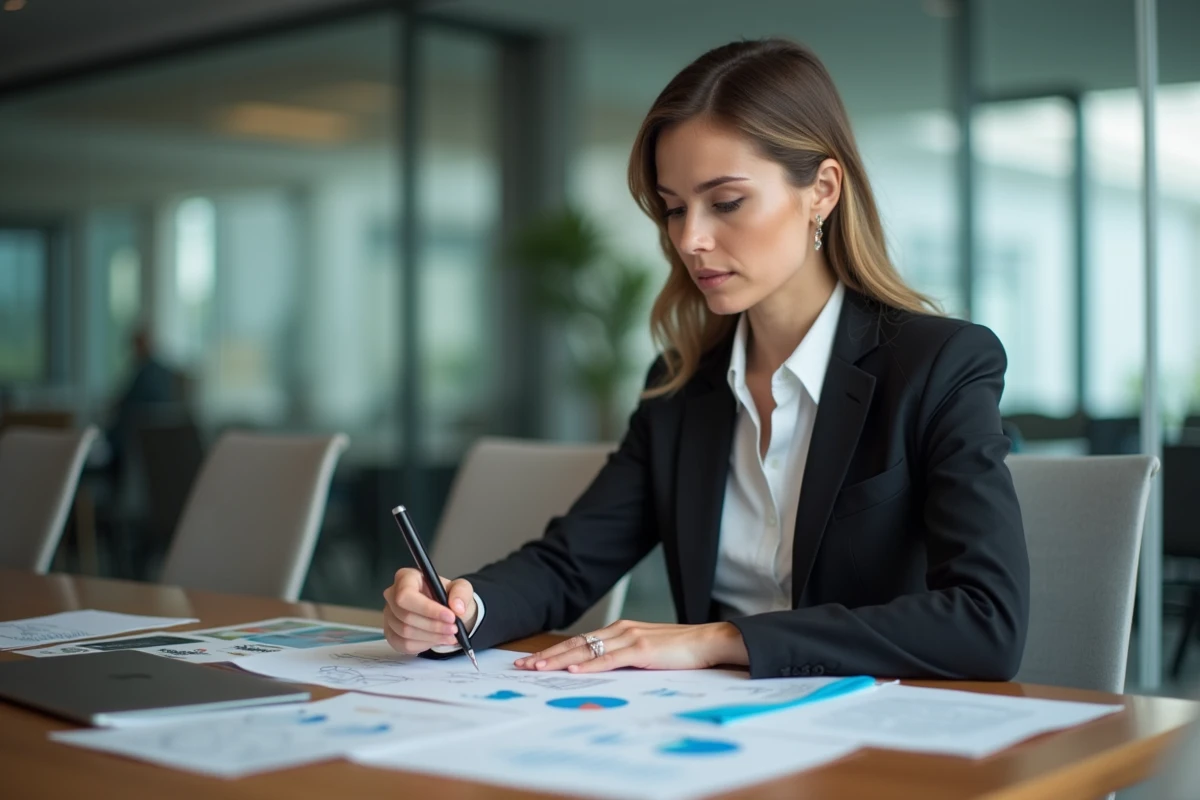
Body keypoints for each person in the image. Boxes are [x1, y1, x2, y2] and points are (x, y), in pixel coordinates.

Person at [382, 38, 1030, 680]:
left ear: (822, 190)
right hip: (711, 736)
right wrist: (461, 608)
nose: (690, 240)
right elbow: (569, 562)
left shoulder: (939, 365)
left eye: (726, 203)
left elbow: (986, 621)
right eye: (672, 209)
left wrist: (717, 640)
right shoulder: (681, 386)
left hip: (874, 741)